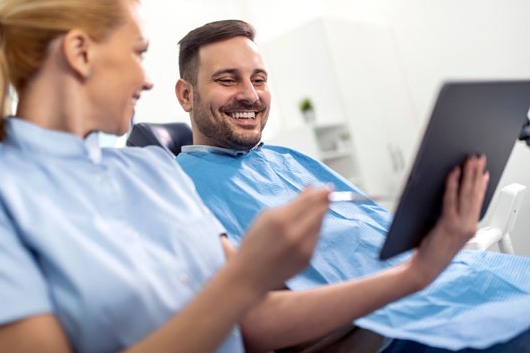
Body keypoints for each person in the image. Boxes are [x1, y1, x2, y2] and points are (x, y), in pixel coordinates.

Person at [0, 0, 489, 352]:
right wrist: (246, 276)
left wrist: (420, 271)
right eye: (139, 52)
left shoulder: (151, 170)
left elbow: (258, 322)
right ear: (79, 52)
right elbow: (241, 296)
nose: (148, 80)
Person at [174, 20, 530, 352]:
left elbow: (378, 226)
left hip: (455, 273)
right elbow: (254, 315)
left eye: (260, 78)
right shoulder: (180, 188)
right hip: (398, 321)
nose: (251, 95)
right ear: (186, 95)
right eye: (227, 80)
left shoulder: (285, 157)